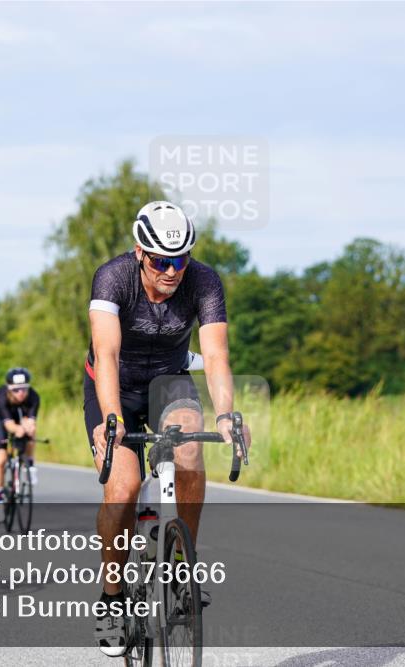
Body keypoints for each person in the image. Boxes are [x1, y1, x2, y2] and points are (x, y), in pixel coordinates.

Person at [85, 201, 251, 656]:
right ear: (140, 252)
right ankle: (113, 597)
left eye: (182, 259)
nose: (173, 270)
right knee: (124, 486)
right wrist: (112, 419)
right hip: (113, 383)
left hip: (169, 381)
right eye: (161, 261)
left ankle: (182, 564)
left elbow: (215, 355)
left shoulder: (204, 280)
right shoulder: (112, 278)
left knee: (192, 450)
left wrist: (225, 415)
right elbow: (107, 354)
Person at [0, 367, 41, 522]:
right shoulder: (1, 396)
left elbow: (31, 422)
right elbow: (10, 426)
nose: (21, 393)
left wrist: (28, 427)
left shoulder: (34, 397)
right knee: (0, 459)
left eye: (24, 389)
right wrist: (18, 429)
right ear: (9, 389)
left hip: (19, 419)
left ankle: (29, 464)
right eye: (16, 390)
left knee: (31, 432)